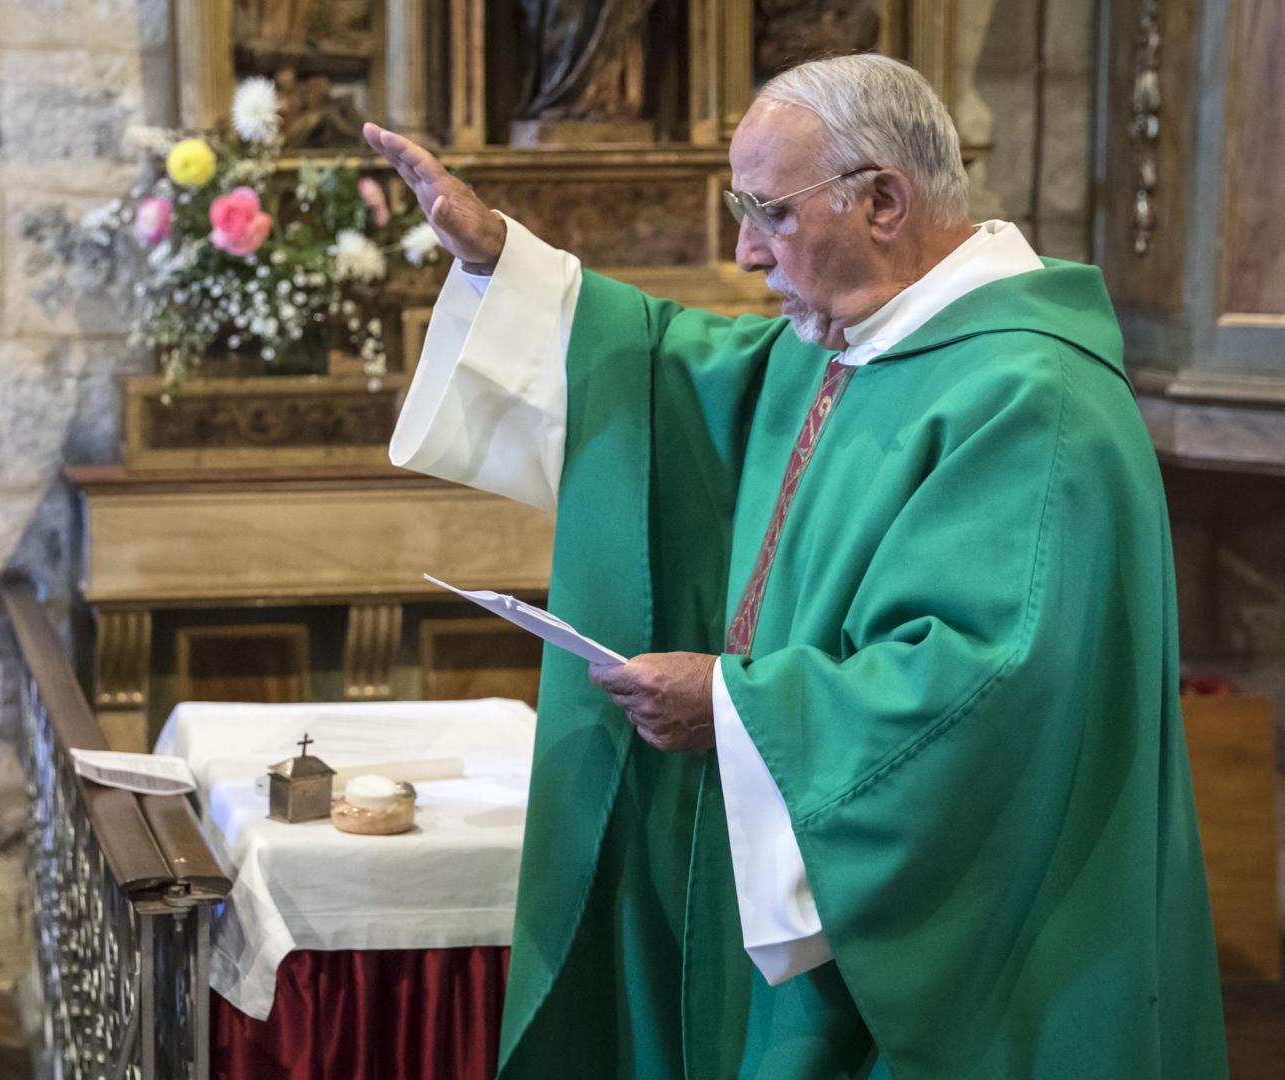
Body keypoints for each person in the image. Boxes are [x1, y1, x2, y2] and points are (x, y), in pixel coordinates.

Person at [372, 53, 1225, 1078]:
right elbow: (672, 375)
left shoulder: (1030, 398)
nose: (744, 252)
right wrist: (503, 265)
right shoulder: (861, 339)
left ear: (881, 201)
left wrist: (733, 708)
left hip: (981, 973)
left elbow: (989, 680)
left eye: (769, 212)